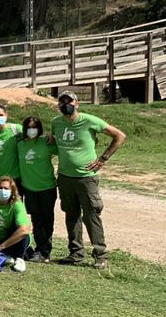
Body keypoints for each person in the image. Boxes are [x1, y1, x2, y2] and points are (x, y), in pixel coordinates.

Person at [50, 90, 126, 269]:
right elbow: (55, 140)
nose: (66, 105)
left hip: (86, 178)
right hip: (65, 177)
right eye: (62, 102)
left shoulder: (90, 121)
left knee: (91, 215)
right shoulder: (56, 122)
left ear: (77, 103)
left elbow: (119, 136)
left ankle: (100, 255)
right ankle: (76, 253)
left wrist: (103, 159)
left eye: (69, 101)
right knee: (71, 215)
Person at [18, 115, 58, 263]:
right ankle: (39, 249)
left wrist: (54, 137)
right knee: (36, 220)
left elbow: (64, 151)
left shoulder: (46, 142)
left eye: (34, 127)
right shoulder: (20, 144)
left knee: (47, 220)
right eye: (28, 127)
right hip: (29, 188)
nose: (31, 130)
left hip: (47, 187)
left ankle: (45, 251)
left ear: (39, 129)